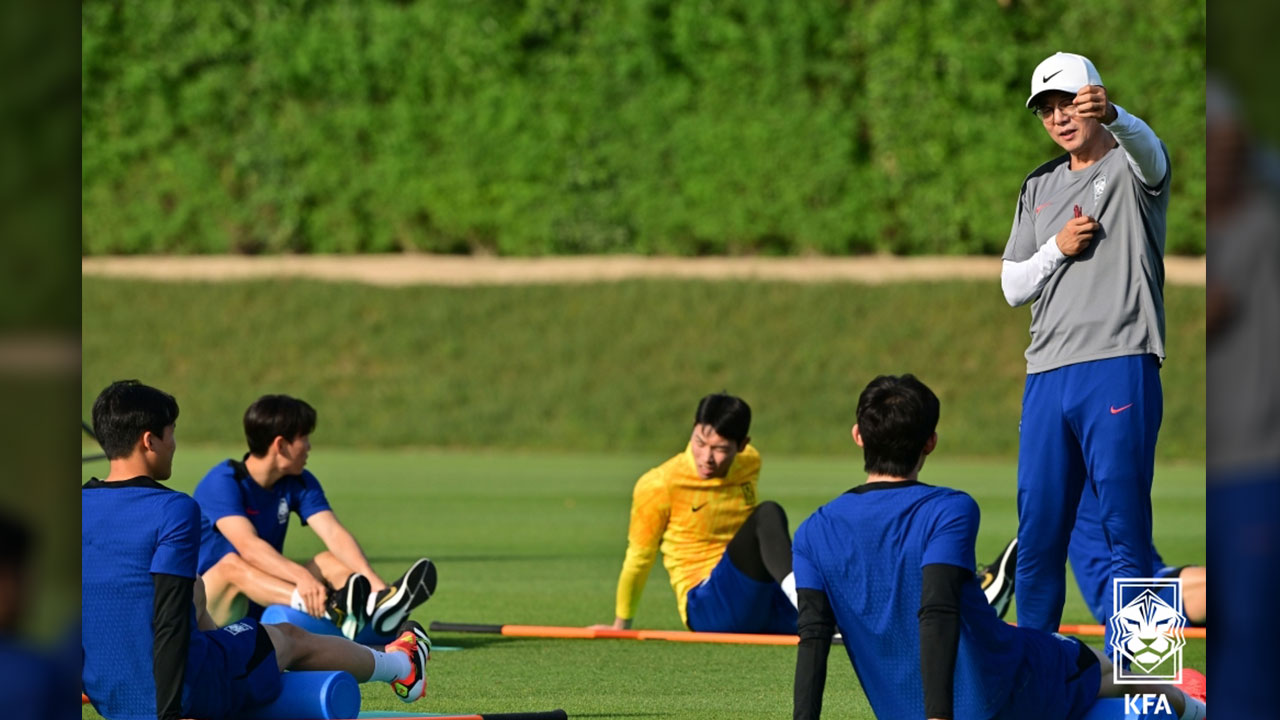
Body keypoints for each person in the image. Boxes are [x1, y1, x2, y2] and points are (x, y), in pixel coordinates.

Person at [792, 374, 1205, 719]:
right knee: (1101, 666)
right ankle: (1193, 706)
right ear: (931, 442)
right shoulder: (949, 508)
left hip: (940, 697)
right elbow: (937, 610)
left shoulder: (812, 531)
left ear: (858, 436)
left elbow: (812, 639)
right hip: (1005, 690)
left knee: (1088, 664)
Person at [82, 380, 431, 720]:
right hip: (183, 692)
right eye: (171, 432)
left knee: (196, 588)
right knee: (289, 638)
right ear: (149, 440)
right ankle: (403, 664)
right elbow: (169, 615)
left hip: (109, 696)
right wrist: (170, 714)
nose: (174, 443)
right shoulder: (173, 508)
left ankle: (363, 614)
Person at [999, 52, 1171, 648]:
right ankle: (1034, 681)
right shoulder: (1039, 185)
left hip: (1119, 363)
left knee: (1127, 528)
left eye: (1068, 102)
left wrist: (1119, 113)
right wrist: (1056, 248)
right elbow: (1013, 286)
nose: (1058, 117)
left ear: (1094, 98)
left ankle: (1148, 685)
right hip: (1046, 374)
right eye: (1046, 108)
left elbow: (1151, 150)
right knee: (1040, 532)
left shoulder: (1131, 163)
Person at [195, 394, 436, 639]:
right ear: (280, 445)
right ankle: (331, 609)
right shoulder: (223, 481)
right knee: (231, 565)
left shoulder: (298, 481)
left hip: (263, 596)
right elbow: (249, 548)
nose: (309, 446)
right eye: (303, 438)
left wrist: (376, 584)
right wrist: (302, 577)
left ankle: (379, 605)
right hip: (204, 607)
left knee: (328, 561)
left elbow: (333, 532)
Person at [593, 393, 798, 634]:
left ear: (742, 445)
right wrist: (621, 625)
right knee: (768, 514)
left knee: (826, 532)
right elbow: (639, 559)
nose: (706, 458)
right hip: (707, 604)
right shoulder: (659, 484)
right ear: (693, 429)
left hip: (759, 597)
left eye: (720, 449)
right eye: (699, 443)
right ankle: (807, 604)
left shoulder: (750, 461)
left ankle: (819, 612)